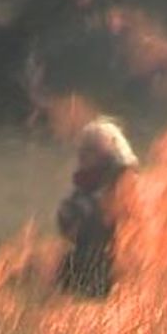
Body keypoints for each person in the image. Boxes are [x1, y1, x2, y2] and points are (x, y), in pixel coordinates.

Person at [56, 116, 140, 298]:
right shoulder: (83, 188)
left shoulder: (123, 184)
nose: (83, 155)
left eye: (91, 150)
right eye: (82, 149)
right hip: (81, 269)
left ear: (107, 153)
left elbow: (127, 227)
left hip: (113, 272)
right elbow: (68, 229)